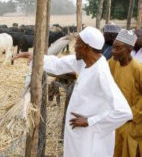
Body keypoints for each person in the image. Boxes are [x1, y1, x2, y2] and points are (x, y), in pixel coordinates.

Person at [12, 26, 132, 157]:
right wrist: (34, 57)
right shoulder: (85, 62)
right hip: (79, 136)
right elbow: (59, 64)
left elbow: (124, 112)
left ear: (86, 47)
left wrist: (90, 122)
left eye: (78, 43)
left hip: (90, 140)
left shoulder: (100, 73)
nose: (74, 46)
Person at [108, 29, 142, 157]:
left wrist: (131, 113)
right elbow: (98, 73)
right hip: (117, 121)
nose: (113, 51)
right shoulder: (112, 63)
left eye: (118, 48)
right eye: (113, 48)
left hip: (132, 124)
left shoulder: (138, 69)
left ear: (129, 49)